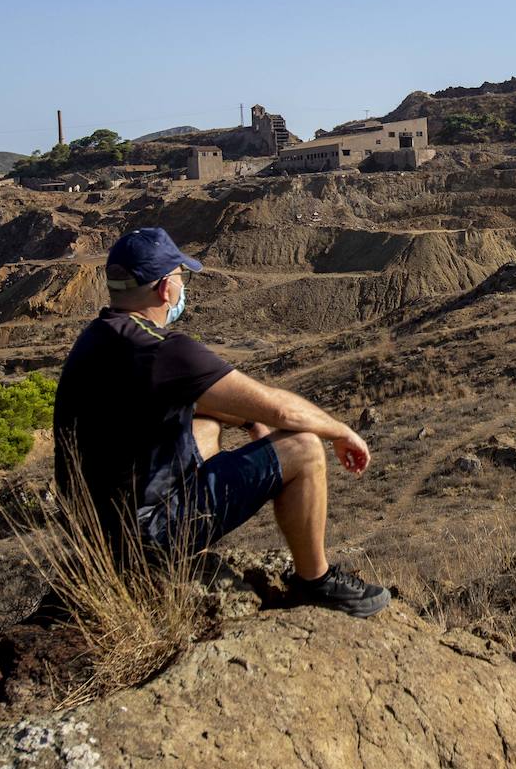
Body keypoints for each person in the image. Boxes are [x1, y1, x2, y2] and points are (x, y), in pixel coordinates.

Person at [53, 227, 389, 617]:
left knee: (207, 422)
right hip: (144, 537)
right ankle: (315, 582)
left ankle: (185, 539)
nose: (182, 287)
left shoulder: (99, 337)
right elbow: (279, 410)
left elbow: (211, 404)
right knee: (304, 448)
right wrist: (341, 431)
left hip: (95, 534)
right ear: (165, 289)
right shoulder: (165, 351)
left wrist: (249, 424)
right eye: (180, 277)